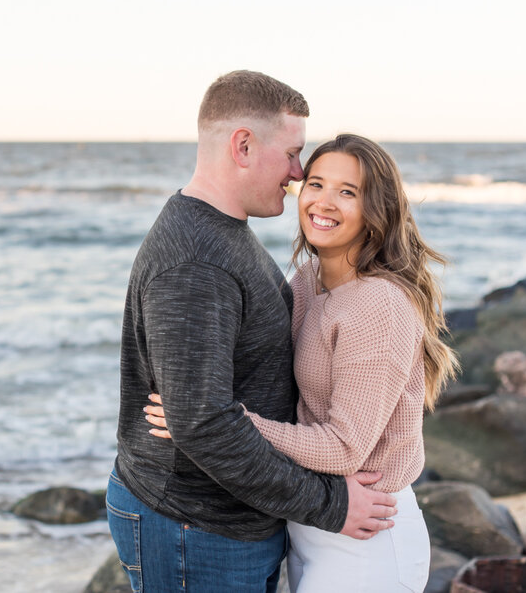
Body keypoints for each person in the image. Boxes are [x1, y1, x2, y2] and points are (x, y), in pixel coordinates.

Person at [108, 72, 399, 593]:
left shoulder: (227, 232)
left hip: (225, 523)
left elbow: (204, 414)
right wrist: (329, 505)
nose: (296, 172)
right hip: (194, 526)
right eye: (292, 153)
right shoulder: (197, 261)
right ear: (243, 145)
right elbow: (203, 424)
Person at [145, 133, 460, 591]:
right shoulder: (309, 280)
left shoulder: (379, 304)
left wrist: (218, 423)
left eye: (348, 192)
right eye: (315, 183)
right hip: (315, 520)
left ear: (379, 210)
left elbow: (344, 448)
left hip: (368, 530)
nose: (324, 202)